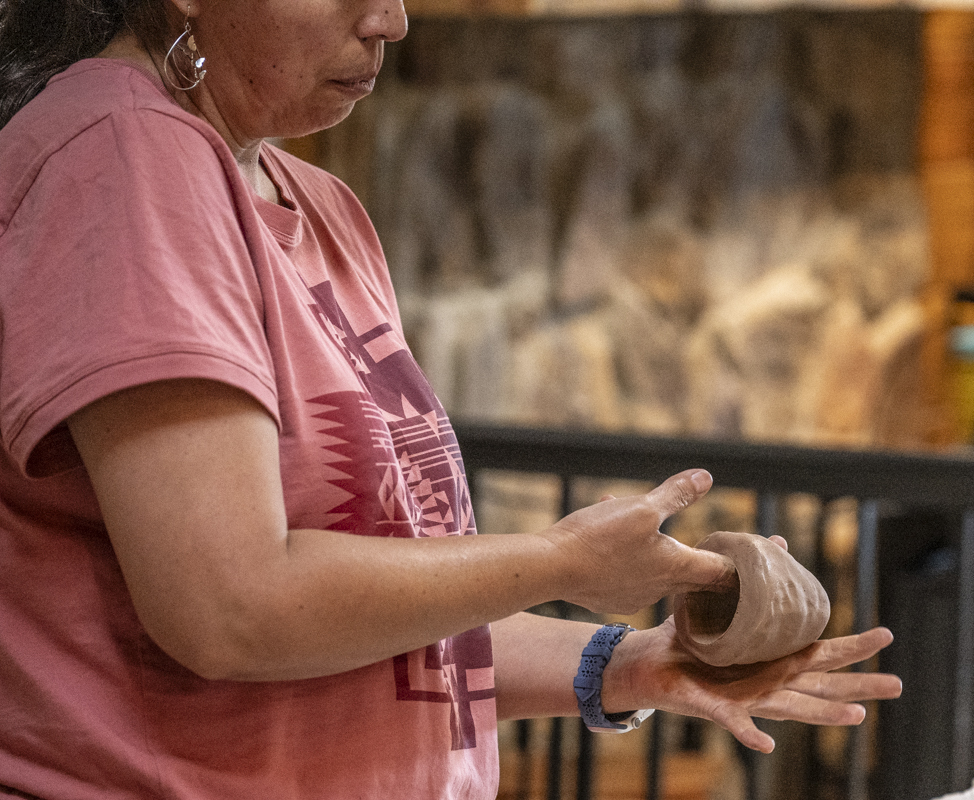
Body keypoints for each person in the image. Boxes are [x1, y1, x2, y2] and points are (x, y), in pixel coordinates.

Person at [0, 1, 903, 798]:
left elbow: (384, 634)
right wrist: (559, 562)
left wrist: (631, 665)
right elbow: (234, 606)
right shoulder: (124, 156)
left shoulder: (319, 205)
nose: (389, 20)